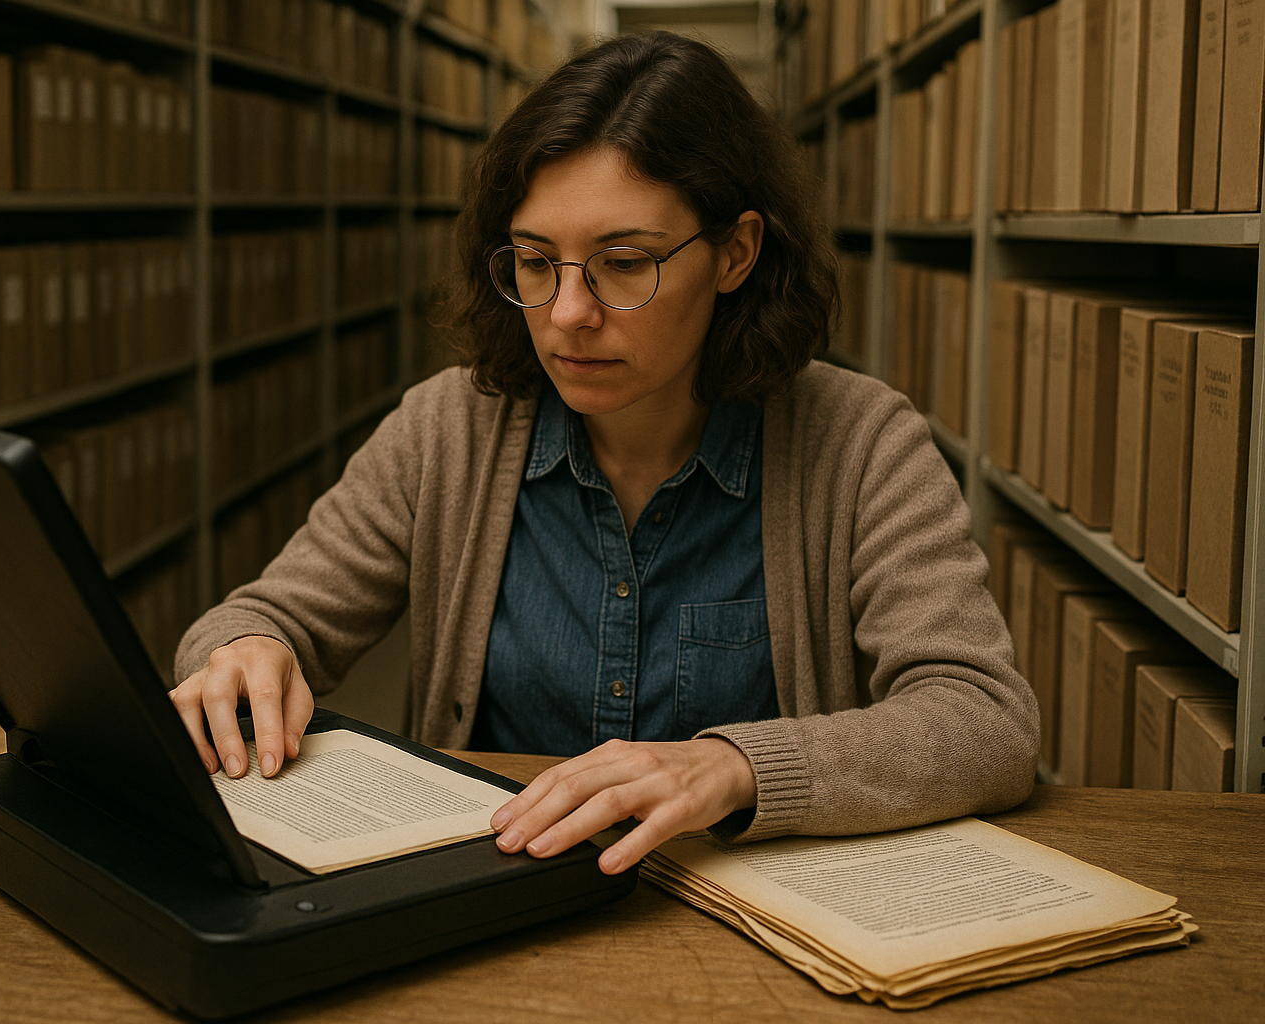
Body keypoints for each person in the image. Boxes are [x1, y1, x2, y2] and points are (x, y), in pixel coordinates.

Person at [171, 31, 1037, 876]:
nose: (567, 314)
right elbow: (261, 618)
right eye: (538, 262)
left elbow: (984, 722)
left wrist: (732, 767)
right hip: (494, 905)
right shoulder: (447, 430)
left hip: (743, 923)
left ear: (736, 252)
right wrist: (247, 651)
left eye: (624, 264)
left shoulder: (861, 444)